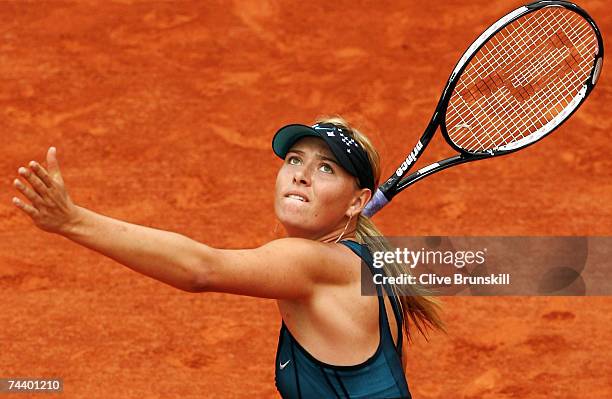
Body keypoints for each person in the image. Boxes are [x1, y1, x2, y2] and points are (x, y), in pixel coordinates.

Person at [12, 116, 444, 398]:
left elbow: (201, 269)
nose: (301, 174)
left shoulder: (310, 263)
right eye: (295, 159)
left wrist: (72, 221)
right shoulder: (369, 267)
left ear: (358, 202)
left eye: (326, 168)